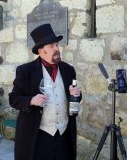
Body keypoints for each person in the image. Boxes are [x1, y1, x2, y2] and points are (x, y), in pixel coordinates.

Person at [9, 23, 82, 160]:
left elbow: (75, 97)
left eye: (56, 45)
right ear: (41, 51)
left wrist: (76, 94)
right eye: (51, 46)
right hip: (38, 135)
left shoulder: (68, 70)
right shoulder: (25, 71)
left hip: (64, 134)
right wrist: (31, 100)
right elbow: (13, 99)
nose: (56, 48)